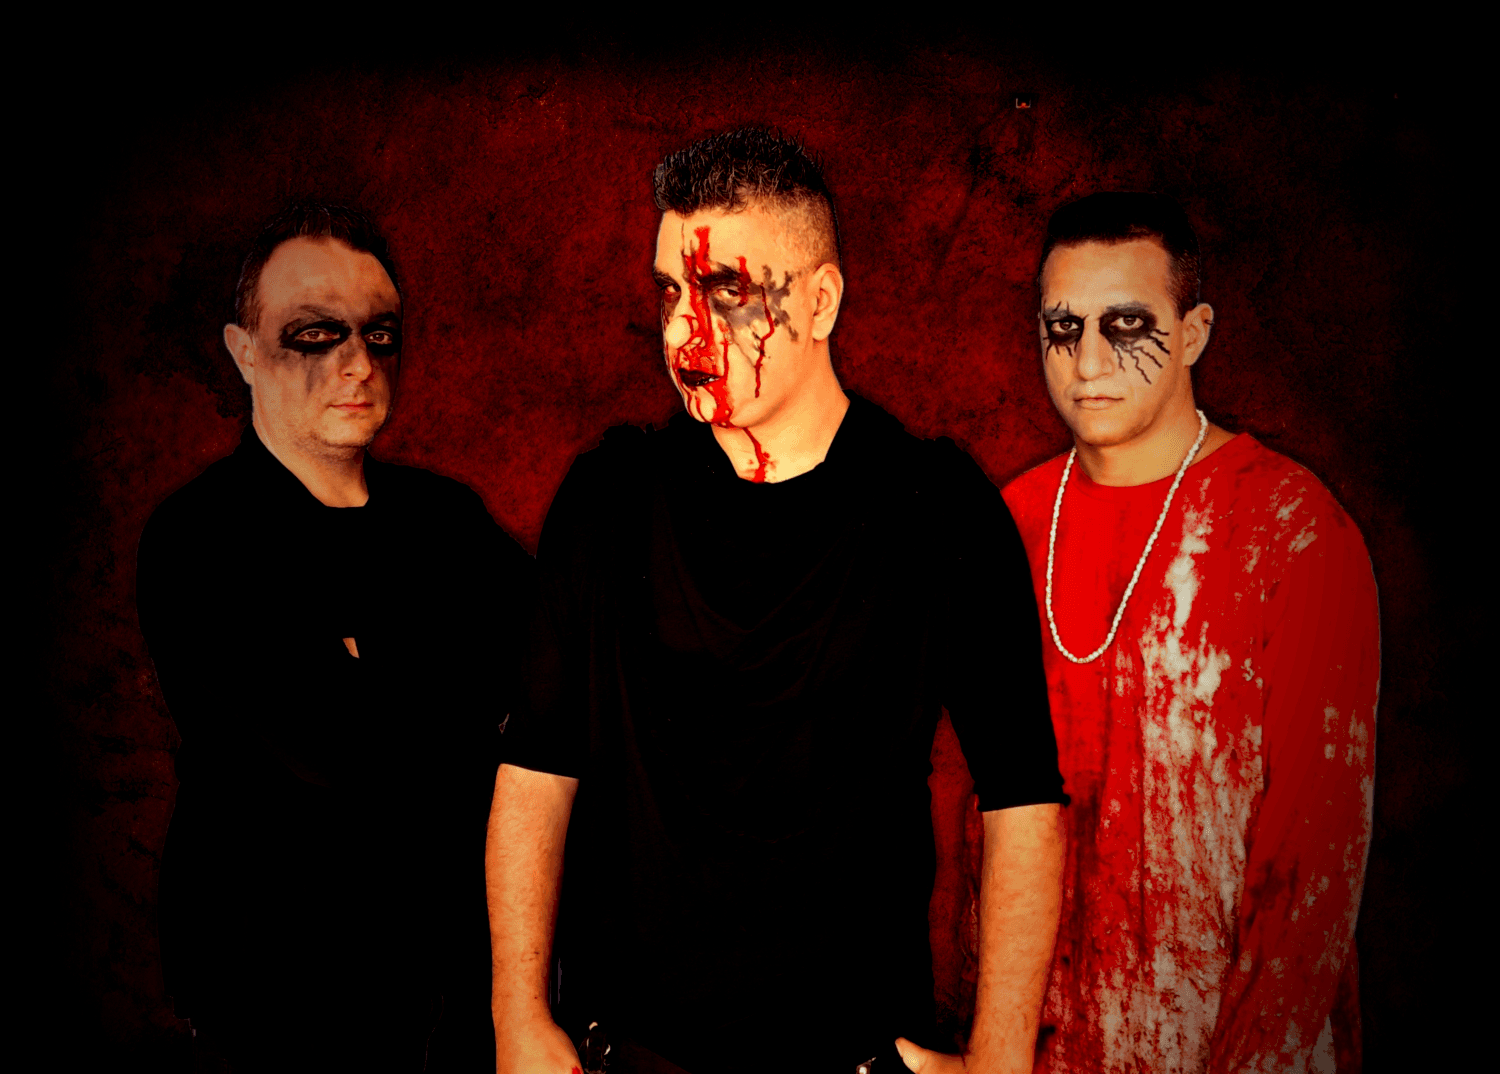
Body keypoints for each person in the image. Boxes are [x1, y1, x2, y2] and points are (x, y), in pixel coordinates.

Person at [487, 128, 1067, 1074]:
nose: (685, 334)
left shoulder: (936, 509)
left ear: (823, 300)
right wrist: (517, 1020)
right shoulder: (608, 499)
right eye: (670, 292)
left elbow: (1022, 793)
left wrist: (999, 1059)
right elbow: (535, 769)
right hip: (628, 1055)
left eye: (727, 293)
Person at [137, 201, 534, 1072]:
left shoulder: (447, 519)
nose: (358, 363)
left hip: (458, 993)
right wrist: (466, 695)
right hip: (282, 1001)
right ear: (244, 350)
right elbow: (339, 747)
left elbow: (558, 682)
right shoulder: (199, 539)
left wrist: (374, 667)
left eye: (380, 334)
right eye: (316, 335)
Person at [1001, 193, 1378, 1073]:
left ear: (1195, 332)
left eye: (1127, 325)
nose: (1088, 361)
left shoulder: (1294, 530)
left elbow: (1312, 875)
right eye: (1063, 328)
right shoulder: (1005, 525)